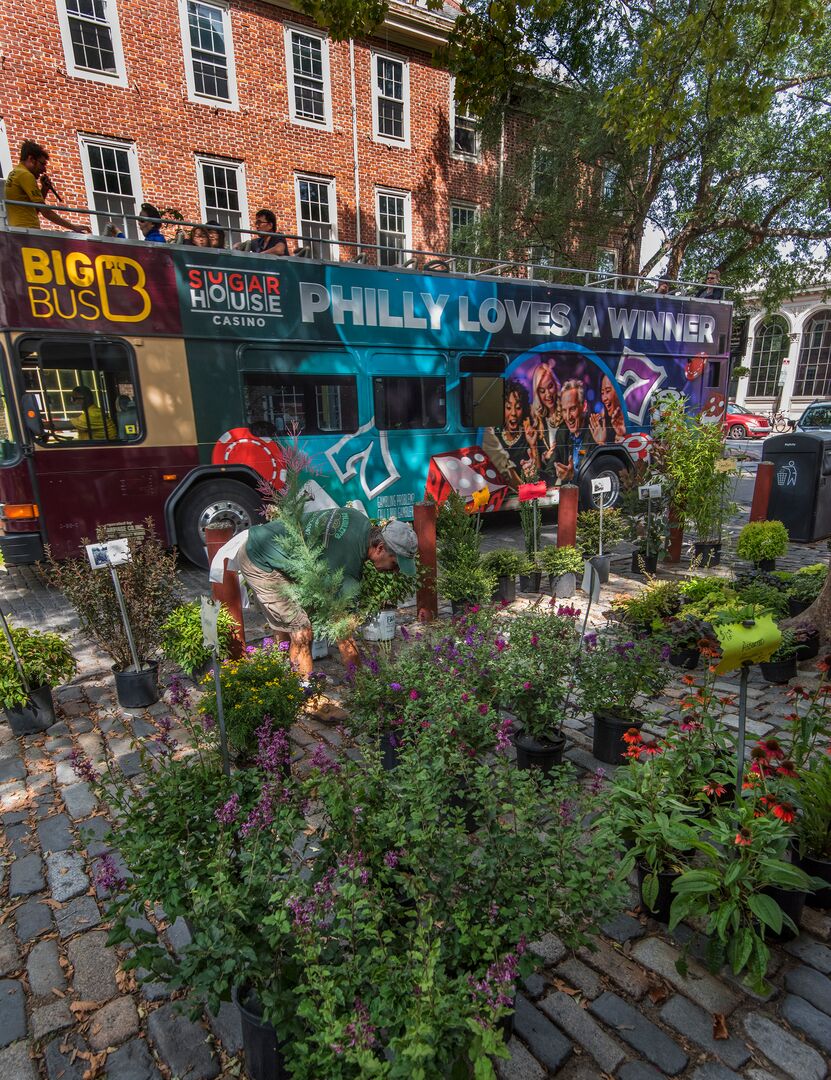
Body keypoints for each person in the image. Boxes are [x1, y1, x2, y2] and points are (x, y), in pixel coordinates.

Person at [238, 509, 418, 675]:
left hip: (276, 551)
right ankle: (305, 694)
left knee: (295, 624)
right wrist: (362, 683)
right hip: (261, 560)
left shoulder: (359, 520)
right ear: (380, 548)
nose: (395, 571)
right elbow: (343, 638)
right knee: (302, 630)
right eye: (395, 564)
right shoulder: (346, 566)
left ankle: (284, 681)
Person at [4, 140, 90, 232]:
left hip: (18, 230)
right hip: (27, 232)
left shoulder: (14, 173)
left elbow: (35, 210)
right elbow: (46, 212)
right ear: (31, 159)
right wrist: (74, 227)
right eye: (42, 164)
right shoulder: (26, 175)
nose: (44, 170)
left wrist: (44, 190)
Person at [481, 379, 539, 488]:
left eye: (518, 408)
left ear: (524, 409)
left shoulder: (529, 436)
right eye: (508, 407)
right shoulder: (494, 435)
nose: (513, 413)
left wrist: (533, 446)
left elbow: (538, 477)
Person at [553, 379, 596, 484]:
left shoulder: (595, 431)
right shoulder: (562, 433)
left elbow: (599, 474)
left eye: (572, 409)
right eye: (564, 410)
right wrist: (534, 471)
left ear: (584, 406)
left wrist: (573, 476)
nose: (568, 417)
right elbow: (550, 471)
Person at [530, 361, 561, 472]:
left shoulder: (566, 411)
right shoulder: (539, 421)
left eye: (550, 386)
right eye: (542, 391)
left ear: (556, 385)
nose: (548, 395)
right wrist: (545, 457)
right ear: (537, 394)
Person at [589, 374, 627, 445]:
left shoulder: (630, 422)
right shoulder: (607, 426)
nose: (604, 398)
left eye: (608, 391)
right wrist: (601, 442)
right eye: (602, 393)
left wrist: (623, 436)